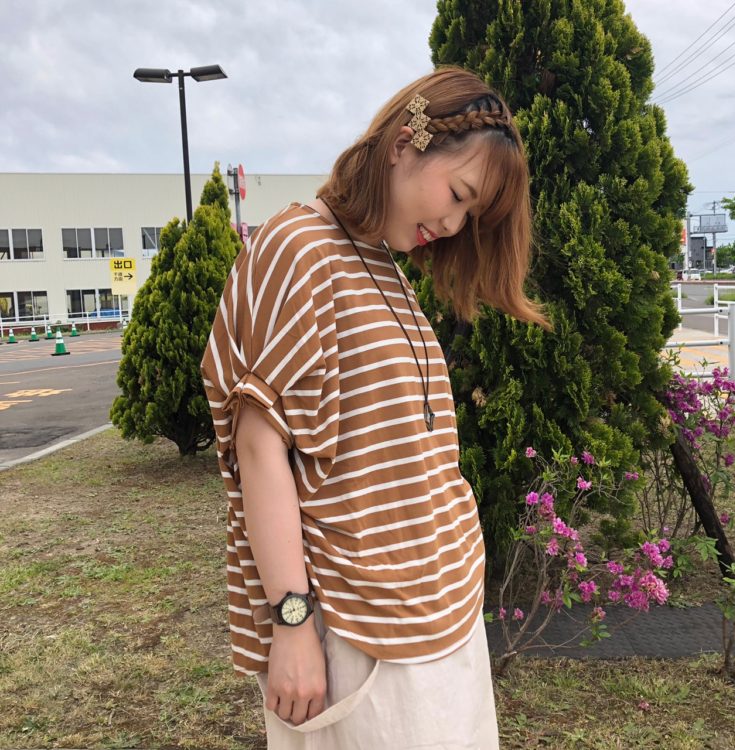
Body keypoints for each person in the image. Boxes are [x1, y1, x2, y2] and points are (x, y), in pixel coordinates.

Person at [201, 65, 550, 749]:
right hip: (358, 628)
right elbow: (260, 449)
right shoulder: (301, 248)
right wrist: (292, 624)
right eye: (458, 194)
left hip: (439, 617)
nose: (452, 223)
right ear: (403, 144)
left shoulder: (383, 266)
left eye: (470, 215)